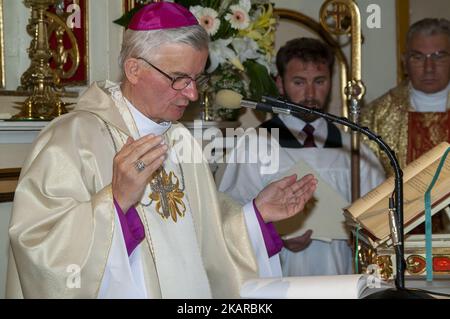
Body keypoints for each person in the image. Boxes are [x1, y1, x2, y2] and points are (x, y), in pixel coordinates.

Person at [6, 2, 318, 299]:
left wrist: (256, 214)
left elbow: (208, 242)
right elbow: (39, 249)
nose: (192, 93)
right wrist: (114, 202)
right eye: (179, 79)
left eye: (196, 79)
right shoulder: (72, 139)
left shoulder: (180, 140)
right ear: (134, 69)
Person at [219, 37, 385, 276]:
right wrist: (275, 233)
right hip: (279, 274)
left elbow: (381, 216)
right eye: (299, 82)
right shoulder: (255, 145)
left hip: (340, 275)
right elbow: (228, 216)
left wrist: (361, 233)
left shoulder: (353, 150)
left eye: (319, 81)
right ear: (280, 84)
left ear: (331, 82)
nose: (310, 94)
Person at [360, 18, 450, 176]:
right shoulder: (375, 117)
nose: (429, 68)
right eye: (418, 57)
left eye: (438, 56)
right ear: (404, 62)